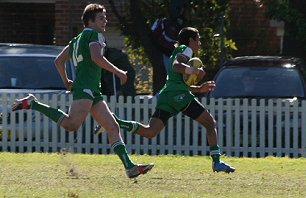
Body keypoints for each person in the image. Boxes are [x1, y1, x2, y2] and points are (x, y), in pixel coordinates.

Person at [11, 3, 153, 179]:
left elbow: (58, 61)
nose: (105, 20)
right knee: (72, 125)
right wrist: (118, 72)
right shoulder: (95, 34)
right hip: (86, 88)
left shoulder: (77, 39)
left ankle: (129, 167)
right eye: (101, 17)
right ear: (90, 21)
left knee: (112, 126)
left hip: (91, 90)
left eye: (105, 17)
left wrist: (67, 81)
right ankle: (34, 104)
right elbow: (96, 57)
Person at [96, 27, 235, 173]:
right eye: (198, 39)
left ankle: (113, 121)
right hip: (177, 96)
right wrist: (195, 70)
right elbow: (177, 66)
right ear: (191, 40)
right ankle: (217, 162)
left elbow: (178, 82)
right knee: (210, 123)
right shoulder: (186, 49)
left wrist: (199, 88)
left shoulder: (178, 51)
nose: (199, 43)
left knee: (150, 131)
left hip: (168, 95)